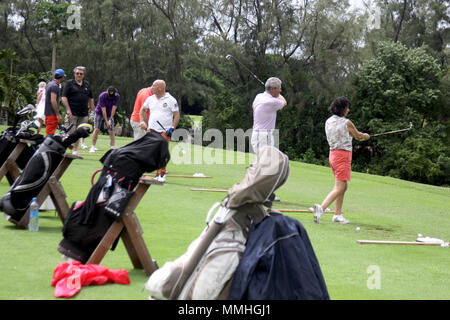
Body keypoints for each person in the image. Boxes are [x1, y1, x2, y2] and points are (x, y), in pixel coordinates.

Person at [313, 97, 370, 225]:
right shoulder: (347, 122)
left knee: (341, 186)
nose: (348, 110)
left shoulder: (328, 121)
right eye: (347, 108)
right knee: (341, 187)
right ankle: (321, 208)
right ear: (343, 109)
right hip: (342, 156)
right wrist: (366, 136)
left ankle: (337, 214)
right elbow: (358, 136)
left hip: (333, 154)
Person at [139, 79, 180, 182]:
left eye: (154, 86)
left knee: (162, 152)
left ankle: (161, 174)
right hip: (151, 129)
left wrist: (172, 127)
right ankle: (145, 171)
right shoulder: (150, 99)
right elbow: (142, 110)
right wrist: (142, 121)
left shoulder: (171, 100)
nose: (151, 88)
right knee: (150, 151)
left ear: (160, 88)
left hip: (165, 131)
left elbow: (176, 115)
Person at [250, 77, 287, 159]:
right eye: (279, 88)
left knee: (261, 161)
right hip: (264, 136)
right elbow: (284, 102)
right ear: (273, 89)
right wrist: (278, 95)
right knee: (266, 162)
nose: (280, 91)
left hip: (256, 134)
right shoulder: (272, 101)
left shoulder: (258, 96)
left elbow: (253, 107)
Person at [61, 66, 95, 155]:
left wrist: (92, 111)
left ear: (83, 75)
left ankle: (75, 151)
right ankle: (62, 148)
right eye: (77, 73)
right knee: (70, 133)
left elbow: (91, 98)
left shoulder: (87, 84)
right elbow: (64, 98)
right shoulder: (69, 83)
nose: (79, 75)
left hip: (83, 114)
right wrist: (68, 110)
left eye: (81, 74)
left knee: (79, 133)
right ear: (74, 74)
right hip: (72, 113)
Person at [90, 86, 120, 152]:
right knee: (97, 129)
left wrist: (111, 119)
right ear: (107, 92)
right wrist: (106, 121)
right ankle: (93, 147)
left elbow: (114, 108)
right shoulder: (102, 96)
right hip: (99, 112)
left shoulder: (117, 96)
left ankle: (112, 147)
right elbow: (103, 110)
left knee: (111, 130)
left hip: (110, 113)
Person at [44, 69, 66, 137]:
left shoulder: (49, 84)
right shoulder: (55, 86)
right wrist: (58, 114)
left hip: (47, 112)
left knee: (48, 132)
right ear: (62, 77)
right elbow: (53, 100)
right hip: (52, 113)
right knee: (49, 134)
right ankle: (43, 147)